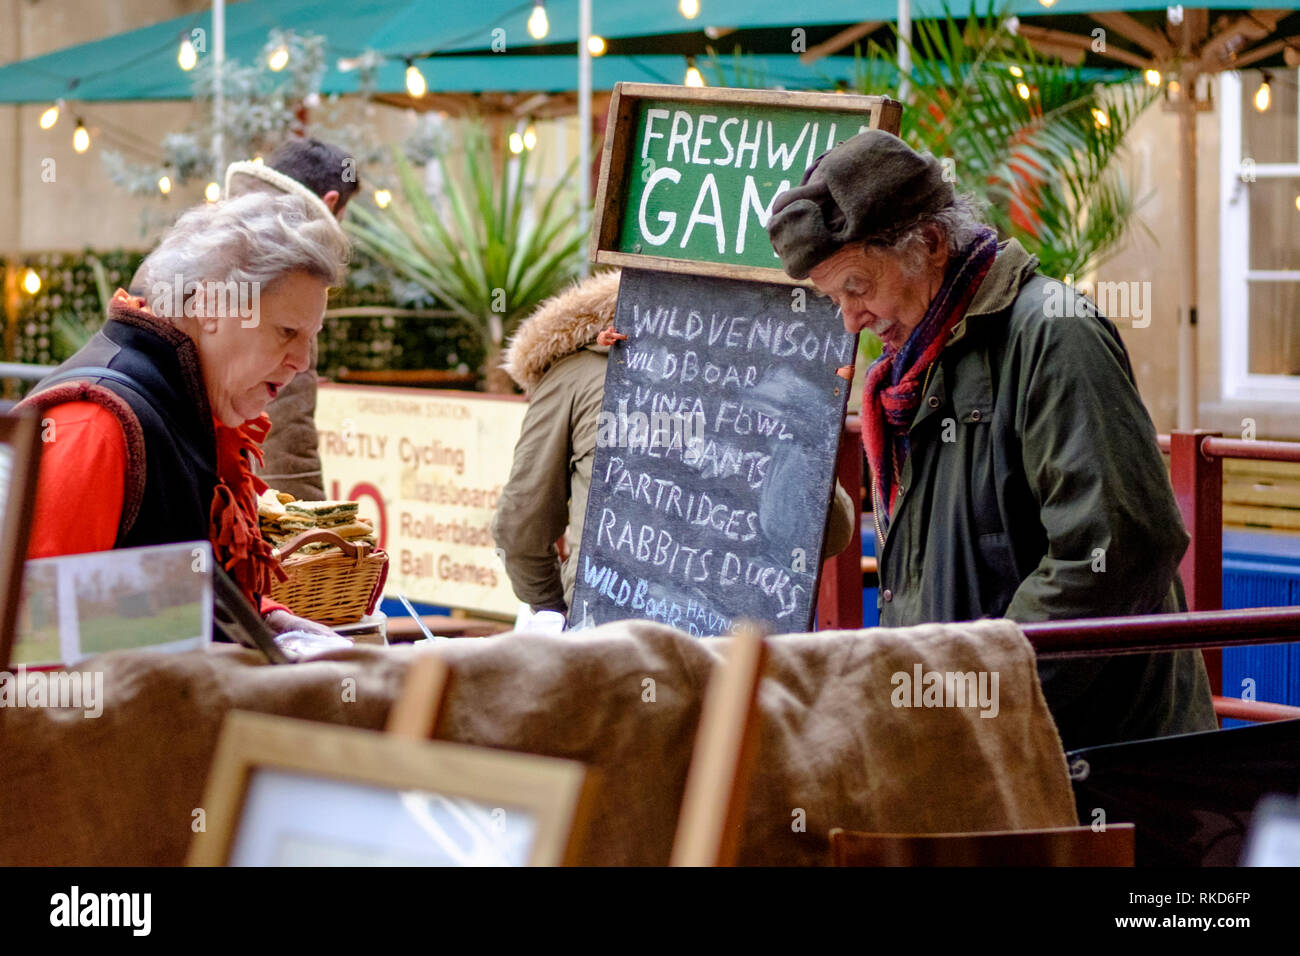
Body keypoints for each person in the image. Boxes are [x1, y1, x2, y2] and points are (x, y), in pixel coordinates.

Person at [766, 129, 1216, 750]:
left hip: (1091, 764)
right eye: (835, 298)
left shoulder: (1055, 334)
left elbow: (1118, 549)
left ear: (928, 243)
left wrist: (973, 706)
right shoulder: (912, 374)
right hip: (982, 756)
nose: (851, 319)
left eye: (858, 288)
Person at [22, 190, 351, 635]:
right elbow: (30, 625)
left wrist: (270, 623)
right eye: (287, 331)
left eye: (310, 336)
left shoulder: (189, 402)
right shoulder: (92, 424)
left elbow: (174, 591)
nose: (302, 360)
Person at [492, 269, 856, 618]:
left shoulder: (575, 374)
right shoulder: (780, 384)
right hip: (743, 647)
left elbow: (521, 525)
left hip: (609, 630)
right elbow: (828, 536)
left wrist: (552, 609)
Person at [224, 137, 360, 500]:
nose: (297, 359)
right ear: (330, 204)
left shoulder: (210, 246)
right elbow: (286, 444)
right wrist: (312, 537)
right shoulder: (291, 282)